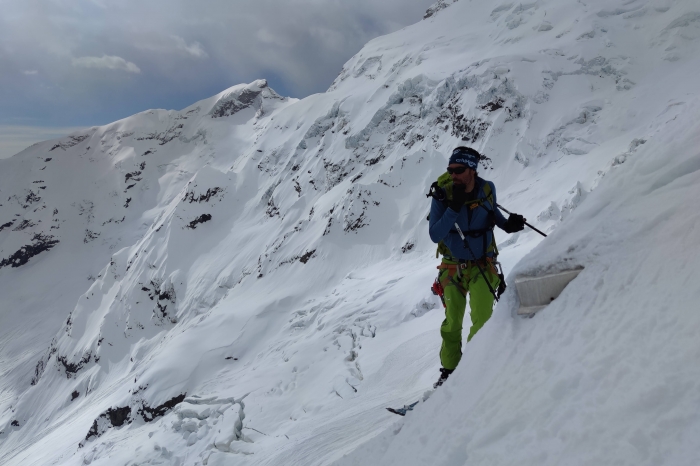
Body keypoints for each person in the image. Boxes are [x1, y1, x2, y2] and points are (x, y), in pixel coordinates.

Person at [428, 146, 525, 388]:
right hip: (453, 267)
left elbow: (493, 217)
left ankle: (473, 369)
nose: (453, 175)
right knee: (453, 323)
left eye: (459, 170)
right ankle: (449, 372)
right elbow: (435, 234)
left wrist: (509, 225)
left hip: (484, 263)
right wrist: (453, 208)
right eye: (450, 170)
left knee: (482, 319)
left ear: (472, 169)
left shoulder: (487, 189)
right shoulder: (442, 195)